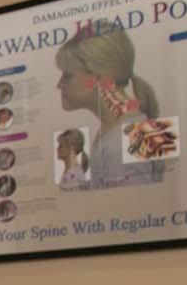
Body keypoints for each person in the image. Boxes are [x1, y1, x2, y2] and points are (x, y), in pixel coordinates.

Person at [54, 24, 163, 189]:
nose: (59, 85)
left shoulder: (121, 140)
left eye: (67, 76)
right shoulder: (121, 129)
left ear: (99, 77)